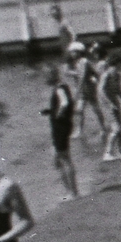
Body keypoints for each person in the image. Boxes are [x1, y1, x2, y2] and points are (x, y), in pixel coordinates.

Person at [44, 64, 79, 198]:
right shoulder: (62, 87)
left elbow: (65, 103)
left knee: (62, 159)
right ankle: (71, 191)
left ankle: (72, 192)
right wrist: (51, 111)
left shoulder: (59, 88)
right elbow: (66, 103)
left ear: (52, 76)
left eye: (47, 76)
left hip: (60, 128)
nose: (46, 79)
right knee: (60, 159)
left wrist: (58, 114)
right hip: (62, 127)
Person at [95, 45, 121, 162]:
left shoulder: (117, 75)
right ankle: (107, 153)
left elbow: (119, 90)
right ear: (116, 64)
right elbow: (100, 91)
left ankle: (120, 151)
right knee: (116, 128)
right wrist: (109, 104)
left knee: (120, 128)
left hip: (115, 103)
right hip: (107, 104)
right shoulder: (106, 75)